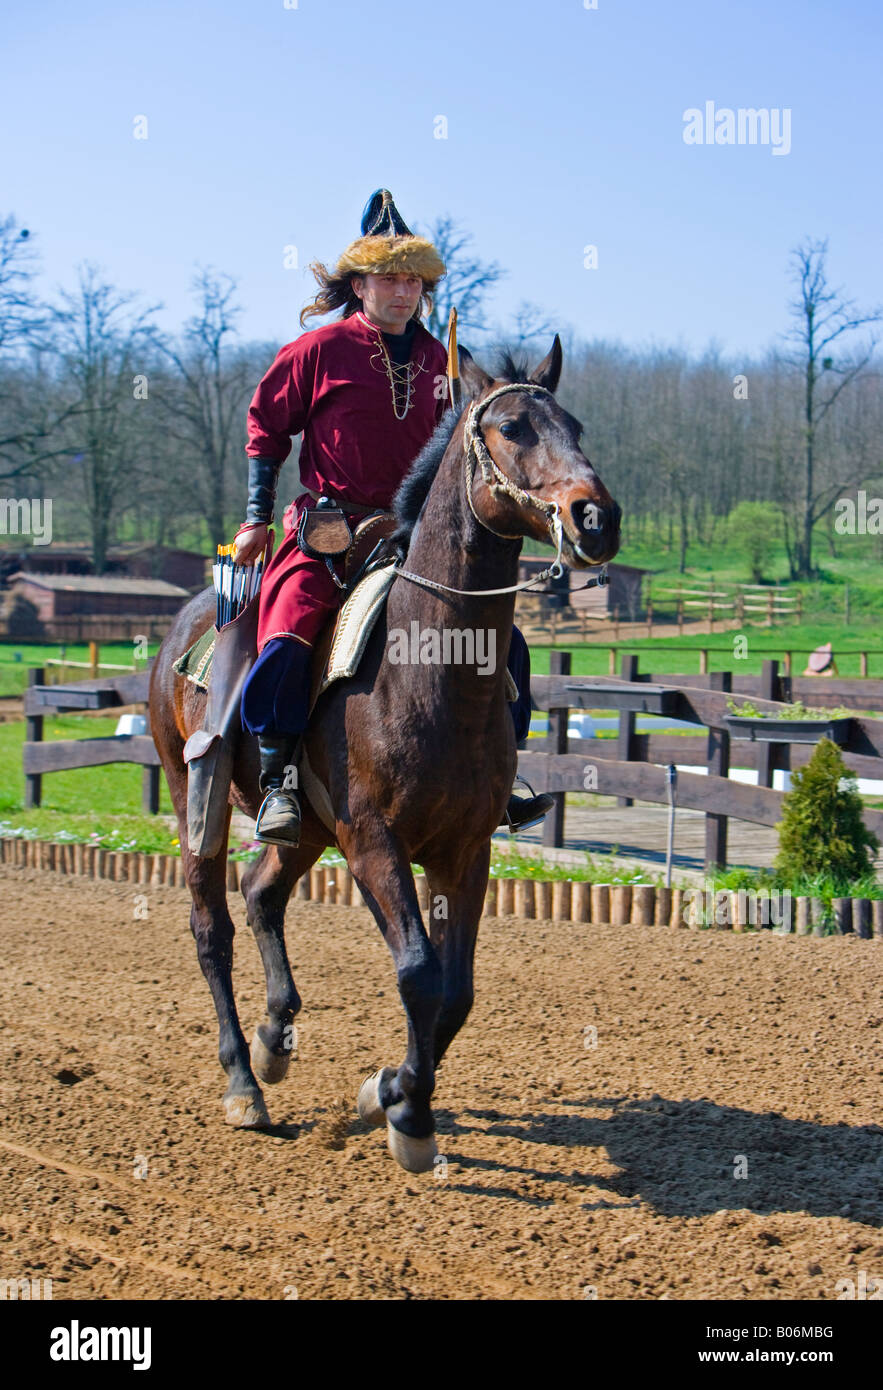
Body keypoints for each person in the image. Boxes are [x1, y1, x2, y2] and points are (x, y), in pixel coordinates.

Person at [234, 189, 553, 847]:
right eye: (389, 278)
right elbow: (265, 426)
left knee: (505, 646)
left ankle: (497, 782)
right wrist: (254, 518)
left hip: (415, 536)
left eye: (413, 279)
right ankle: (278, 785)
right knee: (288, 634)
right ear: (359, 283)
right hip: (330, 531)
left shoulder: (443, 361)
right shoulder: (317, 352)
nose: (403, 291)